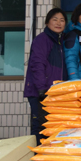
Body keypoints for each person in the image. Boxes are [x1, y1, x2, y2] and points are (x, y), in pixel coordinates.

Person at [24, 8, 68, 145]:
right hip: (40, 92)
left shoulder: (60, 41)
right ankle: (38, 160)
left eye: (62, 20)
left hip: (54, 93)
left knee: (52, 127)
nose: (58, 23)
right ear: (47, 22)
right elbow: (37, 64)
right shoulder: (42, 40)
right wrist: (42, 89)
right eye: (55, 19)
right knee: (40, 127)